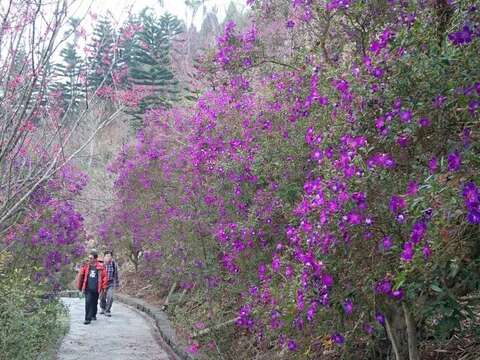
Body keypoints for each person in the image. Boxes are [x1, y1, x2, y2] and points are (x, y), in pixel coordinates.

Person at [76, 250, 108, 325]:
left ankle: (93, 314)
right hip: (88, 289)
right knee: (88, 302)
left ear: (95, 259)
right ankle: (87, 318)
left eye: (91, 258)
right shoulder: (86, 266)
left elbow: (104, 278)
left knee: (94, 303)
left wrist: (104, 288)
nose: (89, 259)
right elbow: (81, 276)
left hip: (96, 289)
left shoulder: (101, 267)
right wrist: (80, 287)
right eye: (89, 258)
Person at [100, 250, 120, 317]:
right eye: (107, 256)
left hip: (110, 283)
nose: (108, 257)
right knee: (102, 297)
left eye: (110, 256)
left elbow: (116, 274)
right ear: (104, 257)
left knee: (110, 297)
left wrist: (117, 283)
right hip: (102, 283)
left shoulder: (113, 264)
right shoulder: (101, 264)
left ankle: (107, 310)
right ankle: (103, 308)